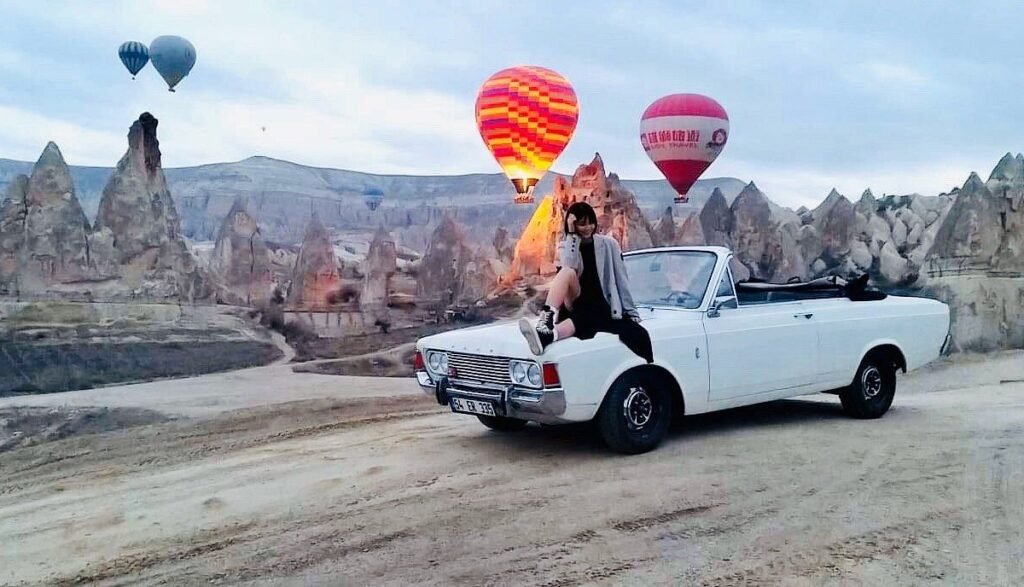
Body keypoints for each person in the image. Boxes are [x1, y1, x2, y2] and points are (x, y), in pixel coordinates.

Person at [518, 202, 653, 363]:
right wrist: (572, 234)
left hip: (600, 302)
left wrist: (631, 312)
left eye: (590, 222)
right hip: (576, 298)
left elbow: (621, 279)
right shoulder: (566, 245)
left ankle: (546, 336)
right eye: (582, 224)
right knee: (566, 272)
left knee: (583, 318)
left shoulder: (609, 244)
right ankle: (546, 318)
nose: (588, 227)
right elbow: (570, 265)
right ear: (574, 225)